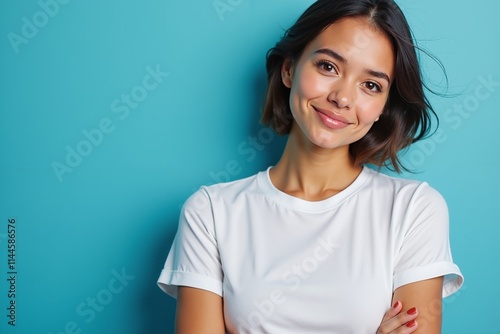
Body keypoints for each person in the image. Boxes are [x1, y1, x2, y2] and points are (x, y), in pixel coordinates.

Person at [157, 0, 464, 333]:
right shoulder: (210, 213)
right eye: (328, 66)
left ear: (382, 108)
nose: (343, 98)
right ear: (289, 69)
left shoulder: (413, 210)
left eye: (370, 85)